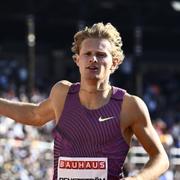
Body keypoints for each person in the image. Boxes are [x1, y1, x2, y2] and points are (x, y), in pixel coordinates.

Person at [0, 22, 169, 180]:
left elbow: (160, 157)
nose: (93, 59)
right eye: (87, 54)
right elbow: (34, 115)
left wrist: (138, 178)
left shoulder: (129, 106)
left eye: (101, 55)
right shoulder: (62, 94)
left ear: (115, 62)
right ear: (77, 60)